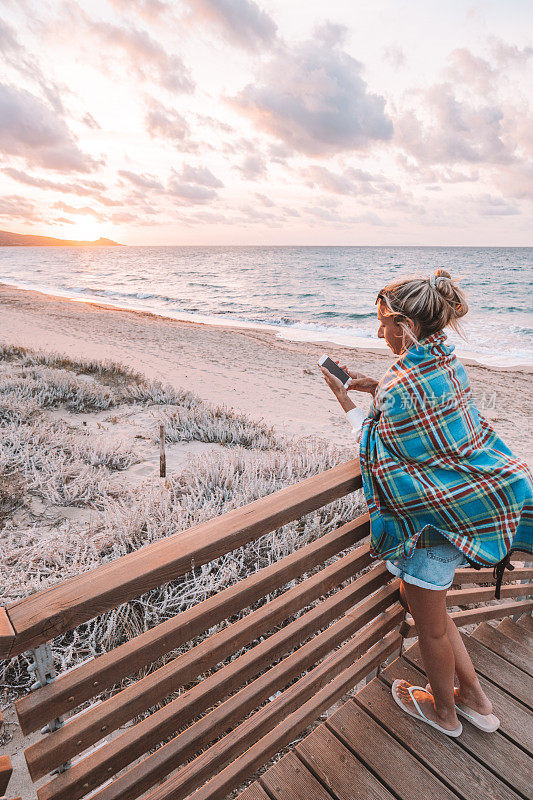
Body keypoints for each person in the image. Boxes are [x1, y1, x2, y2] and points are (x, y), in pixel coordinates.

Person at [319, 268, 533, 737]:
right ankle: (476, 701)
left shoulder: (402, 385)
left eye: (385, 323)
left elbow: (375, 448)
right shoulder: (447, 363)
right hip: (463, 512)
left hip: (429, 530)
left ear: (408, 327)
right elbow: (433, 421)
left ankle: (446, 715)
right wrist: (378, 387)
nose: (380, 333)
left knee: (431, 626)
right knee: (434, 613)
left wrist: (347, 400)